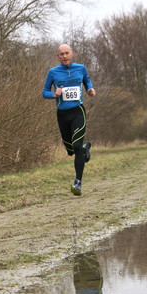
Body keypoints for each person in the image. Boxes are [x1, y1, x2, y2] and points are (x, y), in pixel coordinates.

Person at [42, 44, 96, 195]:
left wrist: (90, 89)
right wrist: (53, 94)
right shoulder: (53, 72)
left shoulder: (81, 68)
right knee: (71, 150)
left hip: (78, 112)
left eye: (67, 53)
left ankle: (77, 183)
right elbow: (44, 92)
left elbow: (87, 81)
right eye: (61, 54)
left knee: (76, 145)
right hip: (62, 114)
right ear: (57, 56)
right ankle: (85, 149)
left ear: (72, 54)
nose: (65, 56)